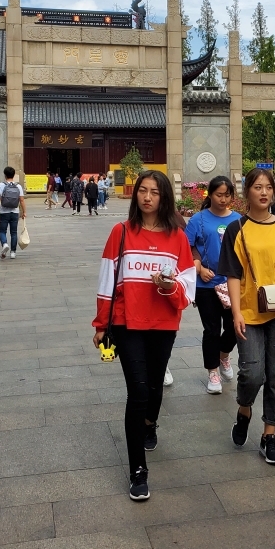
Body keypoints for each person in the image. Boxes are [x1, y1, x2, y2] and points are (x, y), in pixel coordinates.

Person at [92, 170, 196, 501]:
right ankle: (138, 469)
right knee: (137, 391)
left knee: (153, 386)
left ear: (165, 197)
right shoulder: (121, 232)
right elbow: (107, 279)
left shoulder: (177, 237)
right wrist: (101, 324)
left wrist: (169, 286)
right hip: (127, 323)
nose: (147, 197)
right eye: (142, 191)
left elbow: (188, 286)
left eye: (155, 192)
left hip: (163, 323)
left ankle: (150, 423)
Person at [218, 167, 275, 465]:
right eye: (257, 187)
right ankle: (244, 409)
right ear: (247, 192)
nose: (263, 192)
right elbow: (233, 274)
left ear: (274, 192)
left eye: (268, 187)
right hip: (249, 312)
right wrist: (236, 313)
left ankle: (269, 435)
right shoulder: (237, 229)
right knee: (252, 374)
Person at [185, 176, 242, 394]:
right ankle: (213, 372)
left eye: (227, 195)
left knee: (235, 326)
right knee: (211, 330)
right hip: (206, 285)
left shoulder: (238, 220)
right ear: (210, 195)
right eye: (219, 195)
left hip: (231, 283)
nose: (223, 199)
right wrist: (199, 268)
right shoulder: (197, 219)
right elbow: (187, 247)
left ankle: (223, 355)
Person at [0, 166, 26, 260]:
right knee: (14, 232)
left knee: (2, 231)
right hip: (15, 212)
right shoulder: (18, 186)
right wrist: (24, 212)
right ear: (13, 175)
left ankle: (4, 244)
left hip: (4, 212)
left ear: (5, 175)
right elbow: (22, 200)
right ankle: (13, 252)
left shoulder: (1, 185)